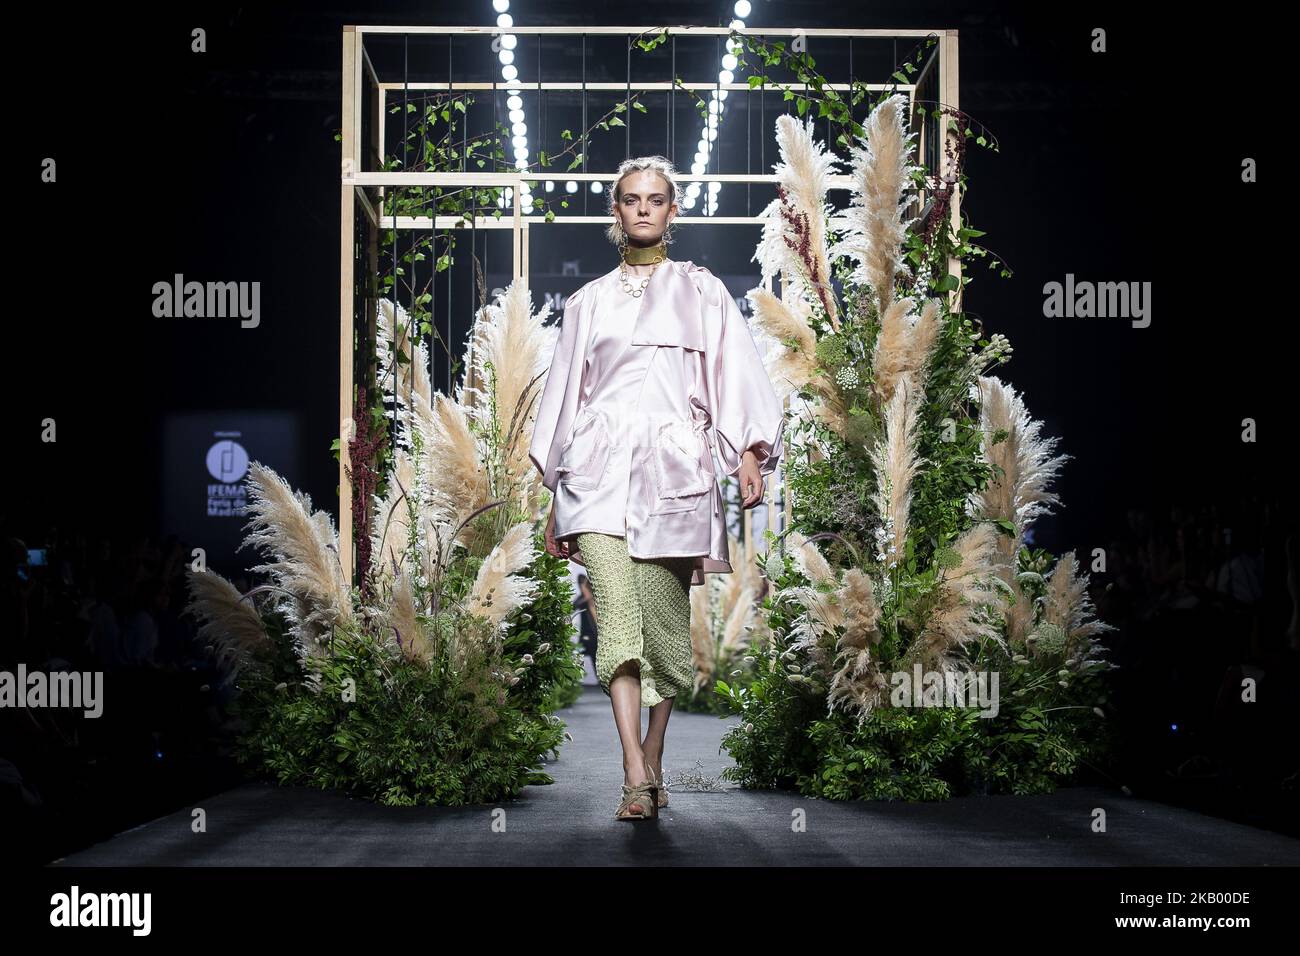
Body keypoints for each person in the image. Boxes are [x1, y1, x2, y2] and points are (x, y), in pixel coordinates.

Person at [528, 155, 785, 821]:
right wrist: (555, 495)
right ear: (616, 213)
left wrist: (751, 451)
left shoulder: (702, 294)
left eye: (655, 198)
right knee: (616, 622)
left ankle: (656, 752)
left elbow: (736, 374)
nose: (643, 208)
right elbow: (562, 401)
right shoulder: (586, 304)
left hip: (677, 474)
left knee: (667, 636)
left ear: (673, 211)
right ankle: (633, 770)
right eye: (631, 199)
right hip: (597, 475)